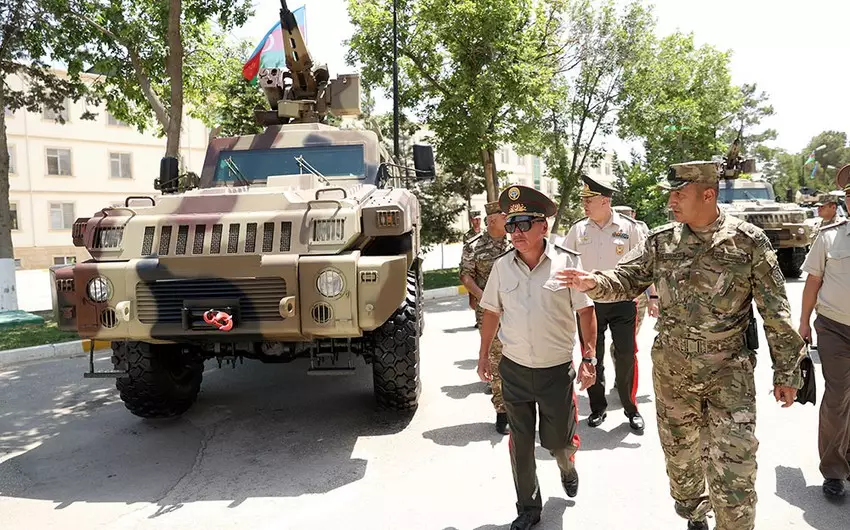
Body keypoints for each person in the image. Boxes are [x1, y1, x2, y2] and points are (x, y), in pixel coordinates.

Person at [556, 161, 806, 530]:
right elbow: (627, 278)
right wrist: (592, 281)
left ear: (708, 194)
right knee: (682, 464)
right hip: (674, 376)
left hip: (729, 375)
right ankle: (694, 516)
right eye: (670, 194)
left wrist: (788, 370)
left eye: (679, 193)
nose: (671, 201)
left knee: (735, 470)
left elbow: (776, 312)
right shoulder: (661, 241)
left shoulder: (748, 241)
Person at [477, 184, 598, 530]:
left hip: (555, 371)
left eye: (523, 224)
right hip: (513, 369)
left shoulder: (567, 263)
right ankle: (528, 507)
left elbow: (586, 312)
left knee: (558, 442)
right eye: (510, 225)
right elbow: (490, 311)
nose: (515, 232)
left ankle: (567, 465)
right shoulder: (502, 267)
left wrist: (588, 357)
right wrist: (484, 354)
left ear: (543, 226)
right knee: (521, 444)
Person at [564, 176, 645, 431]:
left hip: (622, 301)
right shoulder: (578, 229)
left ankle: (630, 408)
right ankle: (598, 407)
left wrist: (651, 296)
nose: (585, 205)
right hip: (589, 305)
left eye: (589, 200)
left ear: (605, 201)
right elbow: (565, 263)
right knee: (592, 356)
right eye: (583, 200)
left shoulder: (629, 227)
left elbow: (643, 265)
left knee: (626, 356)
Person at [799, 164, 850, 499]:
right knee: (837, 396)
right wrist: (803, 323)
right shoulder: (830, 236)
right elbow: (813, 281)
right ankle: (833, 470)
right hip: (835, 326)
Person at [460, 200, 512, 434]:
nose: (508, 220)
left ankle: (523, 407)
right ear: (492, 220)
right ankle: (502, 411)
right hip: (490, 311)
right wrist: (484, 298)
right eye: (504, 216)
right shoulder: (474, 245)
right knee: (496, 357)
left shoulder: (516, 241)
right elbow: (466, 276)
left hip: (517, 307)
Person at [611, 205, 660, 348]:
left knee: (627, 342)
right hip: (611, 291)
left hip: (636, 293)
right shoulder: (605, 232)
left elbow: (647, 268)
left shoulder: (641, 231)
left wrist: (653, 297)